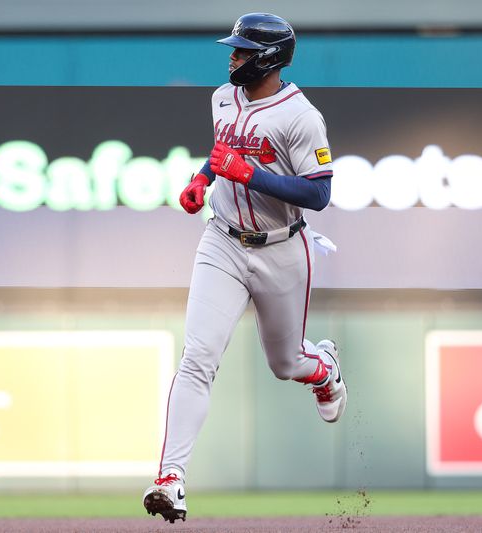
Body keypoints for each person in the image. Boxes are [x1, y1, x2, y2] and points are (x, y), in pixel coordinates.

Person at [142, 12, 347, 523]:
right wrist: (202, 177)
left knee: (286, 365)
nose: (231, 56)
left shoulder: (301, 117)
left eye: (241, 49)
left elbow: (320, 193)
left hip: (282, 247)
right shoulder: (221, 98)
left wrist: (250, 174)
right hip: (223, 242)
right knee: (198, 357)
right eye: (233, 48)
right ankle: (171, 480)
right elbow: (223, 153)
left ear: (269, 58)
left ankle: (323, 368)